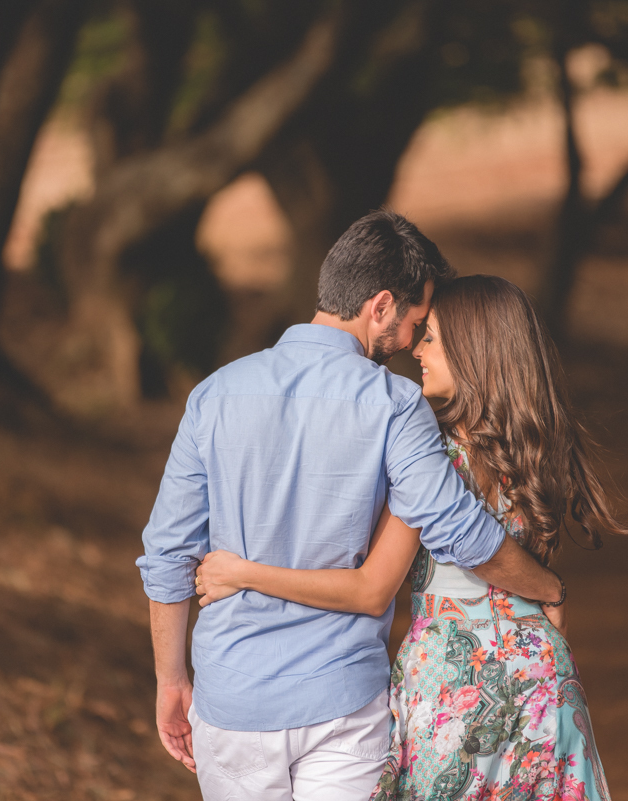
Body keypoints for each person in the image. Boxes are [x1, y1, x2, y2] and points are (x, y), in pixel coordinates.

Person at [138, 212, 565, 801]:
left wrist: (171, 680)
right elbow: (456, 527)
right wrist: (546, 587)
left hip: (233, 698)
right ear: (381, 305)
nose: (415, 341)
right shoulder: (395, 406)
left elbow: (166, 554)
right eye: (417, 322)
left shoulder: (214, 395)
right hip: (341, 703)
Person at [196, 274, 628, 800]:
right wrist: (552, 589)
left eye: (431, 337)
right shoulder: (536, 448)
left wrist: (242, 572)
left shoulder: (427, 461)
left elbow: (371, 588)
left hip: (453, 686)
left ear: (473, 351)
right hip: (541, 678)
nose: (415, 348)